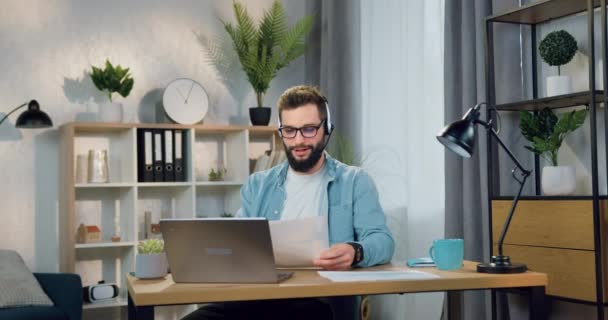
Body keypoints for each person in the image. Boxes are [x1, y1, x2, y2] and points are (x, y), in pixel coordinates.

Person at [183, 85, 394, 320]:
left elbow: (382, 240)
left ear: (327, 129)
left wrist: (356, 251)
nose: (298, 140)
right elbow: (238, 243)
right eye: (290, 131)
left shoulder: (355, 181)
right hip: (258, 298)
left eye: (309, 130)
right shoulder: (258, 184)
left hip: (321, 301)